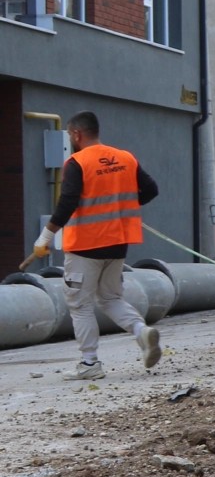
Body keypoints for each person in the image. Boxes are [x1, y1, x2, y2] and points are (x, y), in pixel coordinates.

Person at [33, 111, 163, 380]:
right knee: (111, 297)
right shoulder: (126, 158)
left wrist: (45, 237)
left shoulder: (77, 162)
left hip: (85, 246)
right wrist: (121, 208)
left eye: (70, 135)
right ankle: (141, 331)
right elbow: (151, 190)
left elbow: (67, 201)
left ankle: (90, 364)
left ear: (77, 134)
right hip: (118, 243)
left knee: (79, 304)